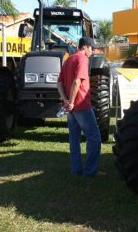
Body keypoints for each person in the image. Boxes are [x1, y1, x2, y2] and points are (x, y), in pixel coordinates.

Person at [57, 37, 103, 177]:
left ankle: (76, 170)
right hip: (81, 104)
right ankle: (90, 171)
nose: (93, 52)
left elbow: (59, 83)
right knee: (94, 137)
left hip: (71, 108)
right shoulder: (83, 59)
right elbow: (77, 82)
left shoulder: (68, 59)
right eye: (92, 49)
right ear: (85, 47)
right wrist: (71, 101)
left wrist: (66, 100)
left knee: (74, 139)